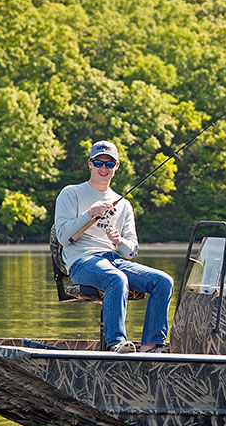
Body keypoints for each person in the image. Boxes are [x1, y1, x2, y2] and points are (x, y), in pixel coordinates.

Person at [54, 140, 174, 353]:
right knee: (116, 279)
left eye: (109, 164)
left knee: (163, 281)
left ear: (116, 167)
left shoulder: (123, 204)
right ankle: (116, 344)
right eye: (99, 163)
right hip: (82, 262)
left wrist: (119, 241)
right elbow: (63, 236)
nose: (103, 168)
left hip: (114, 259)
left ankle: (151, 346)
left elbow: (131, 251)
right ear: (90, 164)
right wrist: (90, 214)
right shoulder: (71, 193)